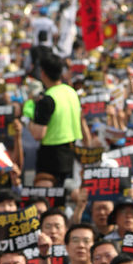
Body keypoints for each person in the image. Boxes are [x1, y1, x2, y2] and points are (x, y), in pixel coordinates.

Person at [28, 49, 82, 182]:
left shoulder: (47, 99)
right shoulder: (71, 91)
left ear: (43, 73)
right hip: (72, 153)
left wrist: (28, 118)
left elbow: (38, 134)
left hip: (51, 159)